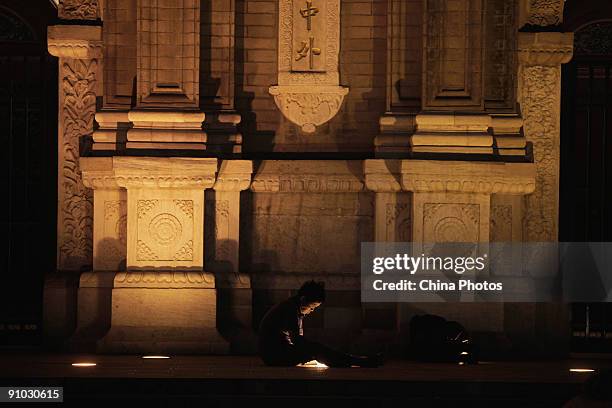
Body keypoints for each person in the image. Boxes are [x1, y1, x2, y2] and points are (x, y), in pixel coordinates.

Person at [258, 280, 383, 368]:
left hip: (275, 353)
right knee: (317, 349)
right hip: (275, 356)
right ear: (303, 300)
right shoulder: (290, 309)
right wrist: (317, 350)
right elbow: (297, 340)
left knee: (318, 350)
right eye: (312, 307)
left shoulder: (291, 307)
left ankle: (351, 360)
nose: (312, 311)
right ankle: (358, 361)